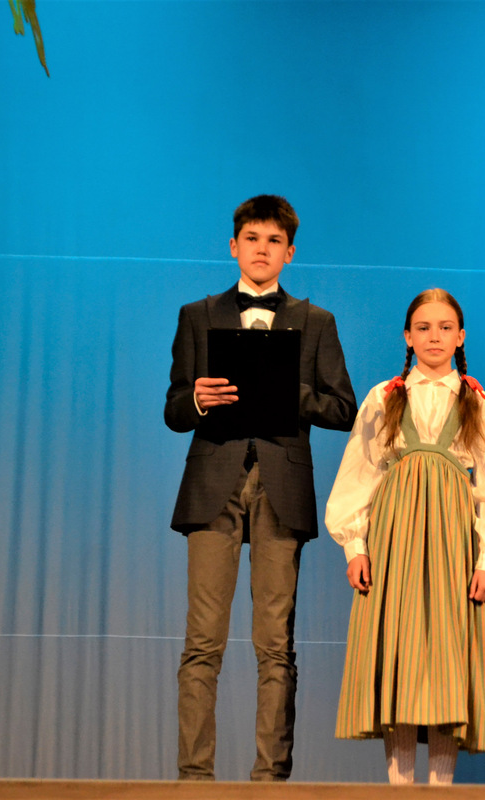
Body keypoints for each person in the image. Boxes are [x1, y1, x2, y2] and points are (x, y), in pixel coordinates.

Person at [164, 194, 357, 781]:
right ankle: (194, 780)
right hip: (214, 483)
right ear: (234, 246)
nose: (262, 249)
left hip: (281, 485)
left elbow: (343, 409)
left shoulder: (315, 321)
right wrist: (199, 398)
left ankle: (270, 780)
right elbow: (174, 408)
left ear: (289, 252)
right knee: (203, 642)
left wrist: (288, 390)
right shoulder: (198, 315)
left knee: (275, 644)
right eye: (252, 238)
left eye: (274, 241)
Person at [325, 288, 485, 785]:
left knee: (446, 657)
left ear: (461, 337)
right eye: (424, 328)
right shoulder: (385, 397)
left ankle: (439, 790)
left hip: (453, 540)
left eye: (445, 327)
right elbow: (358, 474)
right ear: (407, 338)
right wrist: (355, 546)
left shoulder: (477, 402)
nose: (435, 336)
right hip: (396, 539)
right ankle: (400, 789)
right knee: (400, 652)